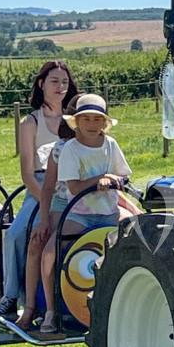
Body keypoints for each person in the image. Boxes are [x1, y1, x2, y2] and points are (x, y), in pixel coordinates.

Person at [27, 94, 130, 333]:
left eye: (97, 119)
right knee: (50, 253)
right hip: (79, 214)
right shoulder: (70, 149)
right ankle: (51, 312)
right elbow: (73, 187)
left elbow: (123, 175)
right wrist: (100, 180)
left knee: (134, 236)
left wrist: (117, 181)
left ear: (105, 123)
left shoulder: (111, 145)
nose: (93, 124)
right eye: (87, 119)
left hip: (108, 212)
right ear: (77, 122)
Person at [0, 61, 79, 318]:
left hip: (74, 183)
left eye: (64, 82)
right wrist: (46, 197)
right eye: (54, 81)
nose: (60, 87)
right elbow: (27, 172)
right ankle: (11, 295)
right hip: (41, 185)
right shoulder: (30, 122)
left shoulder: (77, 117)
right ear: (41, 84)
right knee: (16, 235)